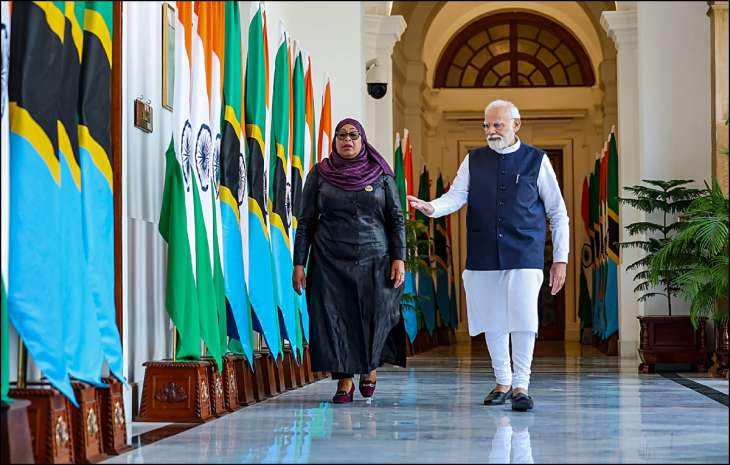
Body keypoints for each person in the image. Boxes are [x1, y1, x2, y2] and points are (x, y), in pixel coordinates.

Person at [407, 99, 569, 412]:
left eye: (498, 125)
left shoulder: (537, 160)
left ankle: (522, 384)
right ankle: (502, 382)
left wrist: (560, 258)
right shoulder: (474, 160)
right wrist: (432, 207)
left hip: (525, 252)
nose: (491, 131)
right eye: (486, 125)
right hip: (483, 252)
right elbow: (456, 196)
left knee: (523, 317)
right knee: (492, 319)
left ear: (515, 124)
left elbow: (557, 211)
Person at [293, 118, 407, 404]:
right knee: (335, 318)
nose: (348, 140)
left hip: (375, 258)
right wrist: (299, 263)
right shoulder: (320, 174)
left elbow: (396, 219)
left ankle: (369, 369)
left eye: (354, 135)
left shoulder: (381, 175)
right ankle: (344, 381)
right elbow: (306, 221)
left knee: (375, 314)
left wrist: (399, 258)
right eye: (341, 135)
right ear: (334, 141)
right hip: (329, 259)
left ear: (362, 140)